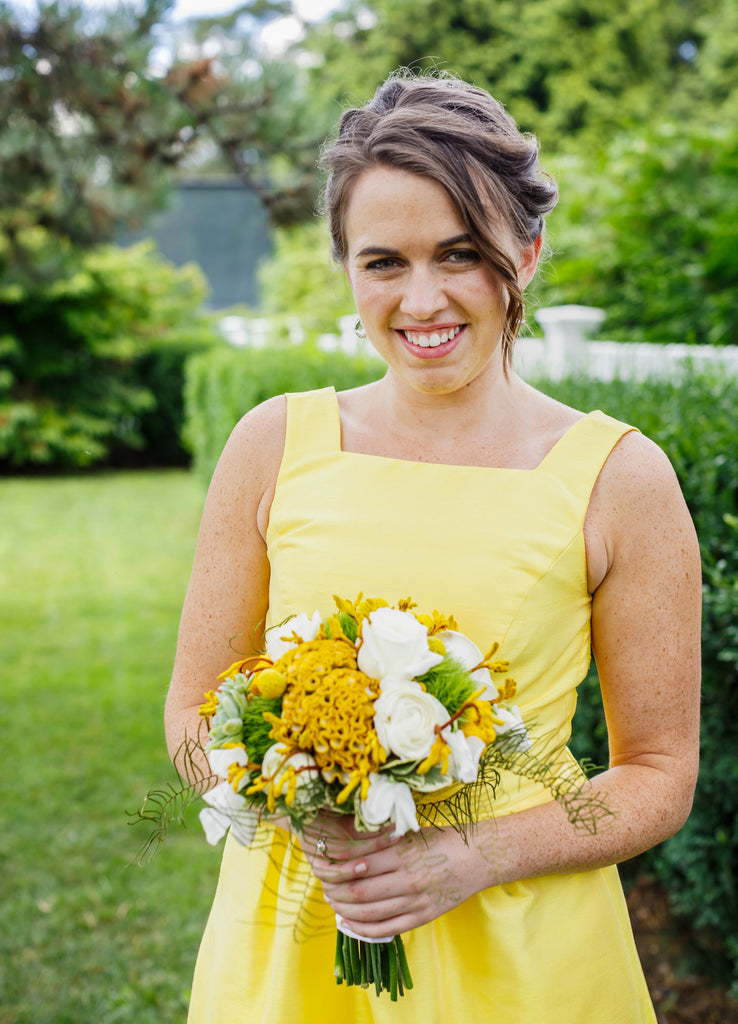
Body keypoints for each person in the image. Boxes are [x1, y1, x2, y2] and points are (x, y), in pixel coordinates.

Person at [165, 71, 701, 1024]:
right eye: (384, 262)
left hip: (524, 961)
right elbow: (191, 714)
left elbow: (658, 775)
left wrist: (471, 856)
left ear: (526, 253)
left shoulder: (620, 477)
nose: (422, 300)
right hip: (292, 940)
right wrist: (297, 794)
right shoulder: (271, 445)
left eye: (460, 254)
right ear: (346, 268)